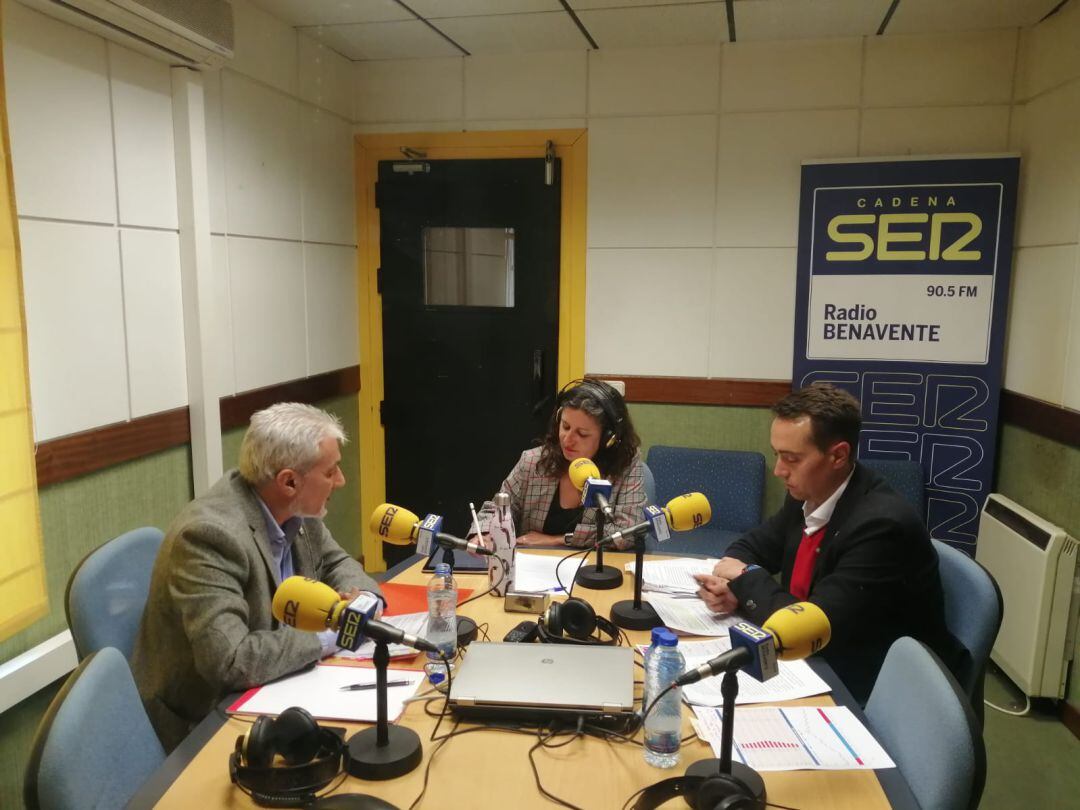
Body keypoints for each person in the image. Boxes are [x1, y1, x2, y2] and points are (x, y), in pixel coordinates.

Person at [131, 403, 383, 751]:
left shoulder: (296, 509)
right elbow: (232, 661)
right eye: (331, 471)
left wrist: (366, 602)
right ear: (289, 481)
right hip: (208, 721)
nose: (341, 481)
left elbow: (337, 563)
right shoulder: (209, 537)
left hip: (281, 684)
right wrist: (336, 630)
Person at [693, 383, 963, 703]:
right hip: (821, 656)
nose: (779, 470)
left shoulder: (882, 527)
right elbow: (749, 548)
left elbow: (817, 626)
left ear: (838, 455)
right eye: (777, 455)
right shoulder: (807, 493)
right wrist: (733, 585)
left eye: (791, 458)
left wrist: (742, 580)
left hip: (879, 684)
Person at [476, 379, 646, 548]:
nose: (568, 439)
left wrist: (559, 539)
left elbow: (628, 533)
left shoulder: (626, 467)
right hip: (534, 568)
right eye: (565, 427)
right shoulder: (533, 461)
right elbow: (496, 508)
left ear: (608, 439)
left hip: (594, 570)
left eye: (582, 434)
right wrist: (485, 534)